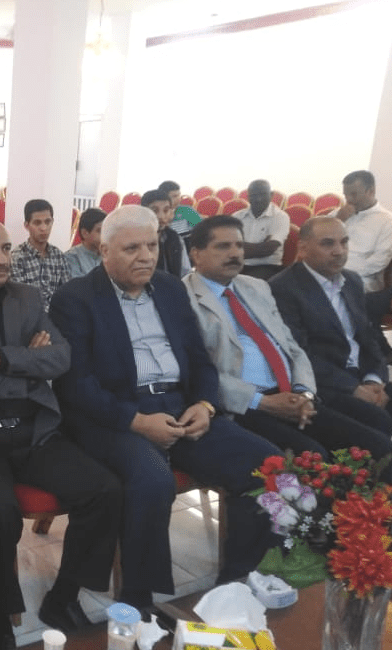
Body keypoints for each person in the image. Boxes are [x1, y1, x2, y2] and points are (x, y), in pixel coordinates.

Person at [50, 205, 277, 612]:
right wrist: (136, 421)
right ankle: (138, 600)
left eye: (152, 246)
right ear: (104, 251)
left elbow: (200, 360)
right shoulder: (76, 299)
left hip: (181, 407)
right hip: (115, 415)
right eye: (132, 248)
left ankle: (236, 579)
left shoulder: (170, 289)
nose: (146, 257)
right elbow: (76, 384)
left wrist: (205, 405)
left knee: (267, 464)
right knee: (153, 481)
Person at [0, 218, 122, 641]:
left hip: (33, 430)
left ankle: (63, 597)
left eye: (6, 249)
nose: (2, 260)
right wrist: (30, 371)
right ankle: (0, 618)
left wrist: (4, 359)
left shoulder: (27, 297)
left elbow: (62, 358)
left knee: (104, 490)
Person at [184, 215, 392, 468]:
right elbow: (196, 371)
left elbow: (292, 348)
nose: (234, 253)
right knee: (313, 458)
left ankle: (368, 497)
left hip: (290, 395)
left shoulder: (255, 287)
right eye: (223, 246)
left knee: (378, 447)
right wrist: (263, 402)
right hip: (244, 405)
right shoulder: (183, 298)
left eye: (239, 245)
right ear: (196, 254)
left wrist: (304, 392)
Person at [269, 216, 392, 436]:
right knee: (379, 421)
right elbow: (298, 353)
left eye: (344, 242)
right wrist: (353, 388)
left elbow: (368, 338)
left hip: (361, 376)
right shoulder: (283, 288)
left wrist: (374, 380)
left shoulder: (352, 281)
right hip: (324, 382)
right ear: (303, 248)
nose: (339, 251)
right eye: (328, 243)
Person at [335, 170, 392, 292]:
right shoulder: (339, 213)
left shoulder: (389, 222)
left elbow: (377, 262)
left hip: (361, 280)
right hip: (328, 271)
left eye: (354, 194)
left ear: (371, 191)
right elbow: (315, 239)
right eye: (345, 195)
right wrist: (338, 220)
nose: (348, 199)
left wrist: (337, 270)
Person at [9, 199, 71, 312]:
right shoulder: (17, 258)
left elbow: (67, 293)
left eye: (48, 222)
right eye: (37, 223)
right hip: (29, 316)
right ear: (27, 225)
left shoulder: (58, 256)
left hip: (58, 315)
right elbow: (21, 299)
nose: (44, 228)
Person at [234, 180, 290, 281]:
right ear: (248, 197)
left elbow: (268, 250)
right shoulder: (237, 216)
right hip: (237, 264)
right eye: (254, 195)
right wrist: (260, 246)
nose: (258, 199)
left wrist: (239, 246)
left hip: (267, 267)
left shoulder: (280, 217)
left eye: (263, 194)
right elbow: (227, 246)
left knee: (244, 283)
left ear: (271, 195)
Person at [142, 188, 191, 277]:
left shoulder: (175, 238)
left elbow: (185, 273)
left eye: (166, 210)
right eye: (154, 210)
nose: (161, 216)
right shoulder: (136, 240)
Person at [64, 207, 105, 279]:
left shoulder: (108, 256)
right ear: (84, 233)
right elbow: (77, 285)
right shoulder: (72, 258)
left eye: (106, 230)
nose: (104, 235)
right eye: (99, 231)